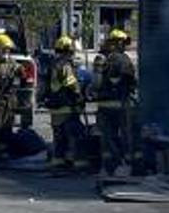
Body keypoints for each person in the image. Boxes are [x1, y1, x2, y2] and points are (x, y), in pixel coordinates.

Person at [95, 29, 144, 176]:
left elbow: (96, 84)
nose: (125, 46)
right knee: (126, 135)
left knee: (108, 137)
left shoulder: (101, 59)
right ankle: (126, 165)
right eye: (124, 43)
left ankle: (108, 167)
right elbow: (131, 81)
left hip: (104, 105)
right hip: (121, 104)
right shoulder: (124, 60)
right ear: (119, 43)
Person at [45, 35, 88, 174]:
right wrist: (80, 97)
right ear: (68, 50)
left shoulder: (54, 64)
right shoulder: (64, 65)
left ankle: (59, 164)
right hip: (66, 107)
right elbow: (72, 84)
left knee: (59, 138)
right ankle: (78, 164)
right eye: (72, 50)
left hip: (56, 108)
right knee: (75, 135)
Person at [0, 33, 24, 163]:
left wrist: (21, 72)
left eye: (8, 50)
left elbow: (19, 70)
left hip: (8, 99)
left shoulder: (9, 62)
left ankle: (3, 151)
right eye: (4, 49)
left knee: (7, 125)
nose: (7, 52)